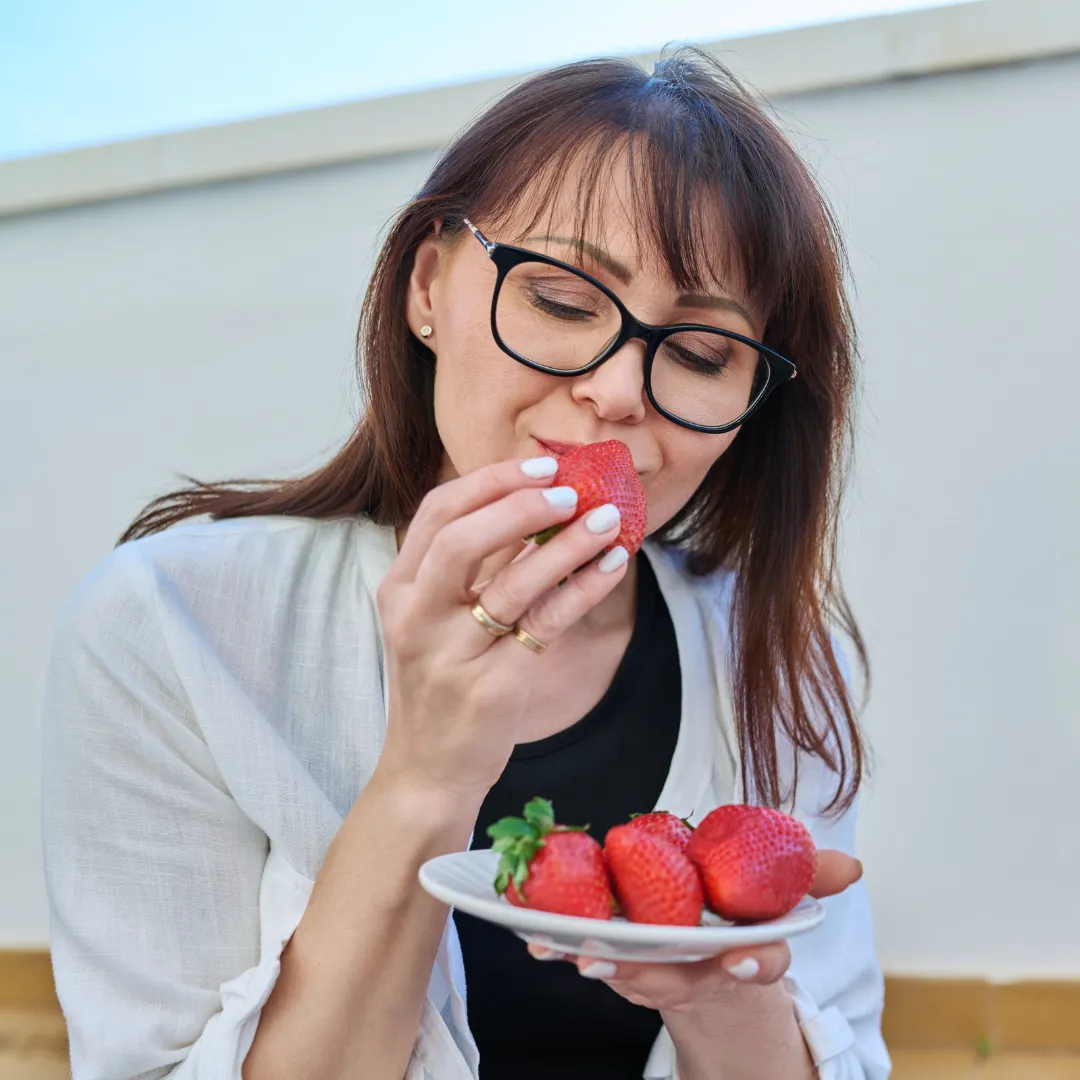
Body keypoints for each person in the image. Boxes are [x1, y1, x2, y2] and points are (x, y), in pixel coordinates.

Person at [42, 50, 891, 1080]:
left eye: (701, 353)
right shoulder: (171, 623)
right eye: (564, 300)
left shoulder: (775, 656)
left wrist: (726, 990)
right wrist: (428, 772)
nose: (619, 392)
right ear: (429, 289)